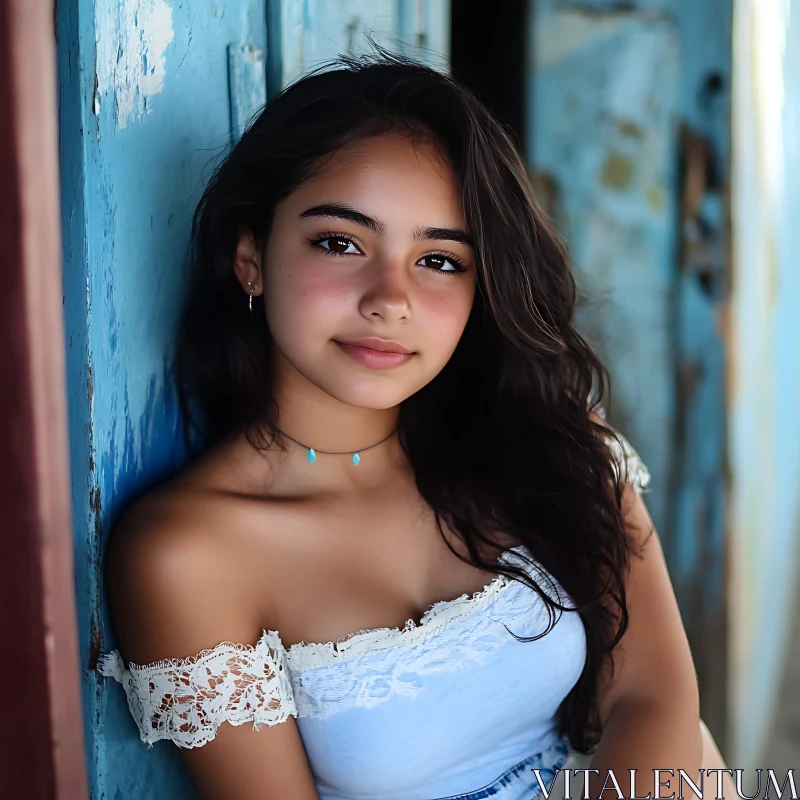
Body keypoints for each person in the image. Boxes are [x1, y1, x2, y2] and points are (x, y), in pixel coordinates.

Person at [99, 50, 733, 800]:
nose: (389, 298)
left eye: (439, 260)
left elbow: (652, 696)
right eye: (340, 242)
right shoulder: (192, 555)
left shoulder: (541, 431)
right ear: (251, 259)